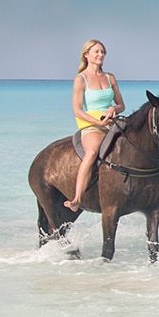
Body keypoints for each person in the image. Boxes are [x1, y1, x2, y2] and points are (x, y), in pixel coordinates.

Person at [66, 39, 125, 210]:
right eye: (96, 52)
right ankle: (77, 198)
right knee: (91, 152)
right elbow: (77, 110)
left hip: (113, 122)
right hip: (92, 126)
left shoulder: (110, 77)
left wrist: (113, 108)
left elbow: (122, 104)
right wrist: (98, 121)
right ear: (86, 55)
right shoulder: (80, 79)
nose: (100, 55)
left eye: (103, 52)